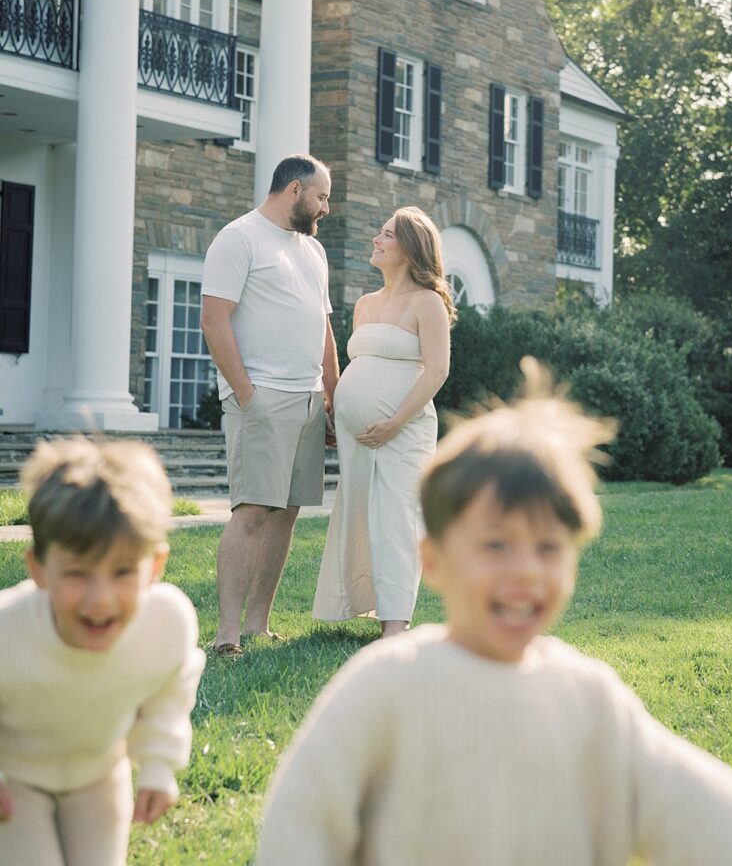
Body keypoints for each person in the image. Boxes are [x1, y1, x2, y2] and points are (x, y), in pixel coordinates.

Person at [255, 359, 732, 866]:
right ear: (431, 559)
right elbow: (298, 829)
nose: (526, 571)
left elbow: (717, 821)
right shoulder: (386, 686)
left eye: (548, 548)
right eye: (497, 545)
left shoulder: (591, 700)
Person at [0, 437, 205, 866]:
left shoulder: (166, 624)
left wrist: (157, 765)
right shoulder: (9, 630)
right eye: (77, 572)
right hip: (15, 780)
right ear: (38, 568)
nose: (101, 599)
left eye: (122, 571)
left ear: (155, 566)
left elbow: (168, 694)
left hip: (98, 773)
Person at [201, 153, 338, 655]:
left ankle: (258, 624)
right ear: (295, 190)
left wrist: (331, 396)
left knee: (285, 514)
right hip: (261, 397)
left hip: (306, 400)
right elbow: (215, 321)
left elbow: (322, 328)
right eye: (322, 196)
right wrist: (246, 394)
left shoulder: (312, 252)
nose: (326, 207)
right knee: (253, 512)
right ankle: (226, 634)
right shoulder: (238, 238)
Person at [313, 206, 454, 638]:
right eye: (380, 232)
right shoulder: (366, 304)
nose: (377, 239)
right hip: (359, 436)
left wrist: (394, 421)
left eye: (387, 235)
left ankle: (396, 623)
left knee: (396, 518)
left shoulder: (426, 302)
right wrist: (338, 410)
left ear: (410, 249)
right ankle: (360, 604)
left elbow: (437, 371)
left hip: (404, 430)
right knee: (359, 514)